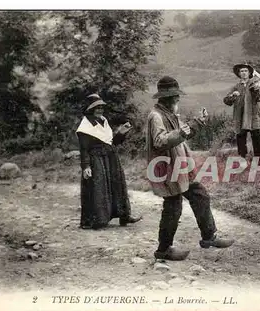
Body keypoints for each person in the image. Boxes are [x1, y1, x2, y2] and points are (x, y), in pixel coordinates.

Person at [146, 76, 235, 261]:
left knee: (199, 194)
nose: (177, 99)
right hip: (168, 169)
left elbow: (181, 135)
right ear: (166, 98)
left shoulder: (170, 114)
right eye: (175, 97)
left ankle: (209, 237)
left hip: (181, 166)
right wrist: (186, 128)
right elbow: (160, 141)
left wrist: (197, 122)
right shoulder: (156, 116)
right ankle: (163, 249)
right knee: (173, 207)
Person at [76, 94, 141, 229]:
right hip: (96, 160)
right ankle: (98, 220)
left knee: (117, 185)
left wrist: (121, 133)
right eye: (96, 107)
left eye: (101, 107)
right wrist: (86, 166)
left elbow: (111, 143)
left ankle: (124, 216)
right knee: (99, 189)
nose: (100, 110)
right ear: (90, 109)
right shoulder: (85, 127)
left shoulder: (103, 121)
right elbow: (84, 149)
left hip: (110, 158)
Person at [223, 63, 260, 168]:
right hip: (240, 116)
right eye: (241, 71)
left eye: (245, 71)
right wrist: (233, 96)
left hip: (252, 116)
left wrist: (259, 91)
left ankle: (259, 159)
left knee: (256, 137)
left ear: (249, 73)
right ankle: (243, 159)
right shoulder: (236, 87)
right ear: (239, 74)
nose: (243, 73)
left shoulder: (254, 85)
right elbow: (226, 101)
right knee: (241, 138)